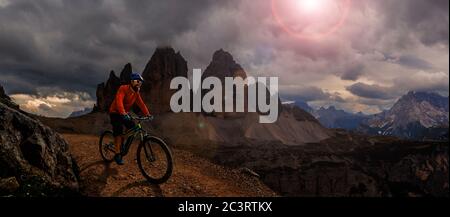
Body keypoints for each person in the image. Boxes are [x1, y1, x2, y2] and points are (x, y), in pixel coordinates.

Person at [109, 72, 151, 165]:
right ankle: (117, 154)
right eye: (137, 81)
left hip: (124, 113)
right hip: (115, 112)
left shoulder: (136, 93)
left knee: (132, 128)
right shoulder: (123, 88)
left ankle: (122, 143)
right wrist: (123, 113)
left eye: (140, 82)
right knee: (118, 130)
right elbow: (119, 101)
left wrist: (147, 114)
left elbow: (141, 104)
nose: (139, 83)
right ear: (132, 81)